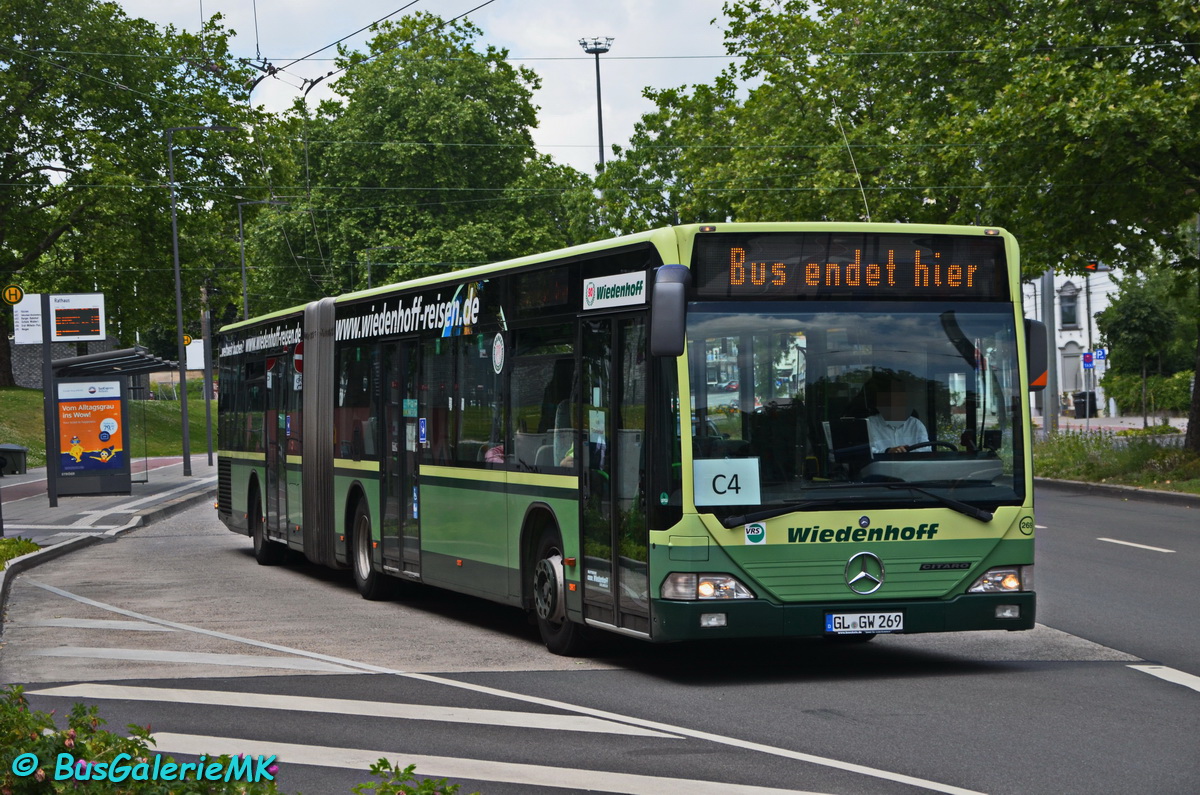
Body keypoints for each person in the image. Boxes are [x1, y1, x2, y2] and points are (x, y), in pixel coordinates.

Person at [866, 379, 929, 454]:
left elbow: (926, 451)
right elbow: (864, 452)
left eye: (901, 400)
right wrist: (887, 452)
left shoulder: (915, 424)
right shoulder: (869, 424)